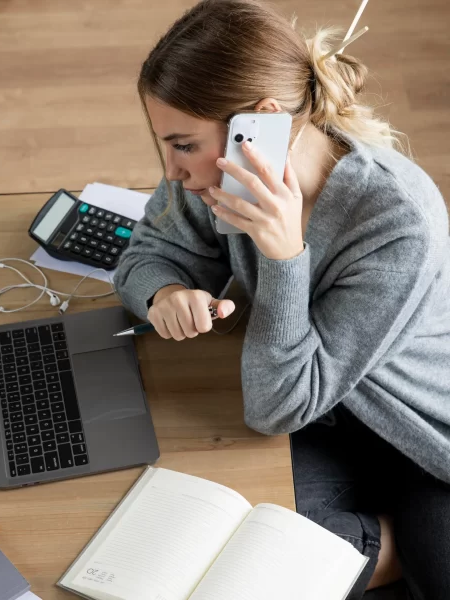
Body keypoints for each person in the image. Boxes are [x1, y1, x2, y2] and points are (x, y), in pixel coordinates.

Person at [112, 1, 450, 598]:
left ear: (259, 123)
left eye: (183, 144)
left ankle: (387, 552)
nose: (170, 170)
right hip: (322, 416)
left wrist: (283, 258)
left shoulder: (399, 222)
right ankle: (360, 556)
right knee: (217, 538)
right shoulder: (218, 179)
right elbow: (145, 252)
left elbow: (276, 406)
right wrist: (163, 292)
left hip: (417, 438)